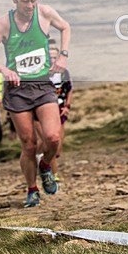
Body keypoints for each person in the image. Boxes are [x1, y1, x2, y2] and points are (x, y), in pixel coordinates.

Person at [0, 0, 71, 207]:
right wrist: (3, 70)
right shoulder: (4, 23)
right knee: (28, 144)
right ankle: (32, 190)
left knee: (53, 137)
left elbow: (66, 27)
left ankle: (46, 166)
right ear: (14, 0)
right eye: (24, 1)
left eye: (33, 0)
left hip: (42, 85)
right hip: (18, 89)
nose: (29, 6)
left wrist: (63, 55)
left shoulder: (45, 13)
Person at [35, 40, 73, 180]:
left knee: (57, 149)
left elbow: (69, 90)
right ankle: (51, 174)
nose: (52, 59)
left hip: (59, 110)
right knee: (48, 141)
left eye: (54, 57)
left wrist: (67, 106)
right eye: (49, 56)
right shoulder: (40, 73)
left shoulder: (63, 72)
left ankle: (41, 159)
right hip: (42, 112)